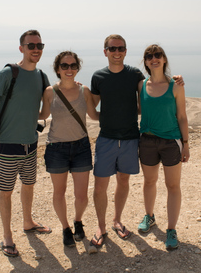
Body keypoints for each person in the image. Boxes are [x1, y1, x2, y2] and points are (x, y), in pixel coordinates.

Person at [89, 34, 184, 248]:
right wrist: (98, 115)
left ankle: (117, 221)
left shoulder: (134, 75)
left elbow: (152, 89)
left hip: (131, 139)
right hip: (107, 138)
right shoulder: (98, 77)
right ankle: (101, 227)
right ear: (105, 51)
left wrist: (176, 80)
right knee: (100, 187)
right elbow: (92, 105)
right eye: (112, 48)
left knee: (124, 181)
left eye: (120, 48)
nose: (117, 52)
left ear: (125, 51)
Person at [0, 29, 52, 258]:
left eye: (40, 45)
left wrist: (50, 100)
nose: (36, 49)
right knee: (6, 192)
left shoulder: (41, 77)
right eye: (31, 45)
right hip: (7, 146)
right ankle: (7, 236)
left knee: (29, 186)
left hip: (31, 144)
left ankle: (28, 222)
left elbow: (42, 114)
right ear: (21, 48)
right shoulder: (9, 73)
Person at [39, 51, 99, 247]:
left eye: (73, 65)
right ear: (58, 69)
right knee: (59, 191)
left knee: (81, 195)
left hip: (81, 146)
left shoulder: (85, 91)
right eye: (64, 66)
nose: (69, 69)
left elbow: (94, 116)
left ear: (77, 68)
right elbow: (43, 115)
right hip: (56, 148)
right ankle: (65, 228)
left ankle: (78, 221)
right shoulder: (49, 92)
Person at [137, 44, 190, 250]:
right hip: (148, 141)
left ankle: (171, 229)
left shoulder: (176, 85)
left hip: (171, 142)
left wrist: (185, 145)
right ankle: (149, 216)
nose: (154, 58)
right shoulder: (141, 85)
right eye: (149, 56)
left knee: (173, 186)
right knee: (149, 181)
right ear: (146, 62)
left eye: (158, 55)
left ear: (164, 59)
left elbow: (182, 116)